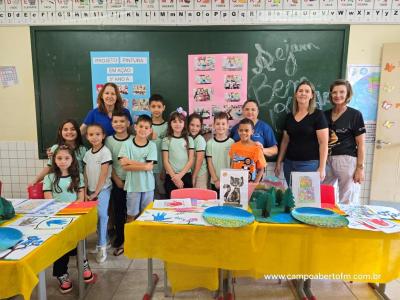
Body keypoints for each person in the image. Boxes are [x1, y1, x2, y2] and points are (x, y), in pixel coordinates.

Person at [43, 145, 94, 293]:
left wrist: (73, 211)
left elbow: (80, 197)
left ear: (72, 160)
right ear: (54, 159)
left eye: (66, 158)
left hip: (75, 218)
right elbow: (48, 200)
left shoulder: (78, 176)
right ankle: (61, 274)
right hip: (58, 219)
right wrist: (61, 212)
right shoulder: (49, 177)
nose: (63, 161)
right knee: (61, 250)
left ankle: (83, 263)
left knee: (78, 244)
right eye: (59, 158)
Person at [274, 80, 329, 185]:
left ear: (312, 95)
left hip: (309, 165)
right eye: (300, 91)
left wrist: (322, 168)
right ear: (296, 94)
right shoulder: (289, 117)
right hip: (289, 164)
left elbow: (323, 143)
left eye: (307, 91)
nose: (303, 93)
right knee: (292, 197)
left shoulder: (318, 115)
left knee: (305, 199)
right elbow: (285, 141)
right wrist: (278, 162)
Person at [323, 79, 366, 204]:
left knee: (346, 199)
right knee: (324, 194)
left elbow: (361, 144)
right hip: (327, 160)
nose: (337, 95)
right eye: (334, 92)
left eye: (342, 92)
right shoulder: (325, 115)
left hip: (347, 160)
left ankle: (346, 222)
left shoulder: (355, 115)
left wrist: (360, 168)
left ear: (348, 94)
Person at [119, 115, 157, 222]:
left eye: (146, 128)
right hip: (133, 186)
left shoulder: (152, 146)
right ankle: (130, 239)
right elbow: (124, 166)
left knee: (146, 216)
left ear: (150, 130)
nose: (143, 130)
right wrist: (144, 166)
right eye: (141, 126)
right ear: (135, 127)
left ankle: (144, 238)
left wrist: (129, 162)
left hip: (148, 186)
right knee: (131, 216)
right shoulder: (126, 144)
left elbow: (149, 167)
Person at [83, 124, 113, 263]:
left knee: (102, 215)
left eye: (97, 134)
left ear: (103, 135)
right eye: (91, 134)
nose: (94, 137)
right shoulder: (87, 154)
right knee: (95, 216)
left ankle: (102, 246)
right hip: (90, 190)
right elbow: (85, 174)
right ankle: (103, 240)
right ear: (87, 136)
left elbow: (104, 172)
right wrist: (86, 190)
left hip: (103, 189)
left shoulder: (105, 152)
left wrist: (96, 192)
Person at [105, 111, 132, 256]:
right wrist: (116, 180)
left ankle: (132, 239)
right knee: (119, 211)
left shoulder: (134, 139)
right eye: (115, 121)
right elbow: (108, 163)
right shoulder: (109, 141)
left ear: (128, 123)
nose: (119, 124)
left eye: (122, 121)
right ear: (111, 123)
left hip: (134, 182)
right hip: (117, 181)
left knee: (133, 211)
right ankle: (120, 237)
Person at [30, 119, 86, 186]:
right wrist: (36, 180)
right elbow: (49, 167)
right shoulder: (55, 148)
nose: (69, 132)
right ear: (60, 132)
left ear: (78, 131)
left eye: (73, 129)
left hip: (78, 185)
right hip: (60, 185)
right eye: (65, 129)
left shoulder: (83, 149)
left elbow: (86, 171)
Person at [162, 108, 195, 198]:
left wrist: (179, 176)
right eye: (174, 122)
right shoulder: (166, 140)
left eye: (180, 122)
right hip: (171, 176)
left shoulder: (189, 139)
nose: (177, 124)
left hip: (186, 175)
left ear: (184, 124)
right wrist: (175, 177)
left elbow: (191, 160)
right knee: (171, 203)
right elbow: (165, 161)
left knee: (187, 203)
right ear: (170, 124)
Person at [229, 118, 267, 184]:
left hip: (251, 183)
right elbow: (233, 163)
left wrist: (255, 184)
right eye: (241, 130)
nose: (243, 133)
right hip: (236, 183)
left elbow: (261, 169)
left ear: (252, 131)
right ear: (238, 131)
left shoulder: (257, 148)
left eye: (246, 130)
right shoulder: (234, 146)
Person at [206, 112, 235, 195]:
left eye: (223, 124)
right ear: (214, 125)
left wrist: (229, 178)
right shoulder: (210, 143)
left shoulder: (232, 142)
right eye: (218, 124)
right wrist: (215, 180)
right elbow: (209, 163)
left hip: (229, 181)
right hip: (215, 181)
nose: (220, 126)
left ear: (227, 125)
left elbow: (233, 162)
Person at [149, 94, 168, 199]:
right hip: (148, 169)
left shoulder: (168, 126)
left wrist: (165, 169)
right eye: (153, 106)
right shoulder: (145, 126)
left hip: (162, 168)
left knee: (163, 195)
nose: (156, 109)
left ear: (164, 108)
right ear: (149, 107)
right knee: (151, 196)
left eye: (159, 106)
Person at [187, 112, 208, 189]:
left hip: (200, 173)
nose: (194, 128)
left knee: (200, 196)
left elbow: (199, 160)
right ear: (188, 125)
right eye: (192, 125)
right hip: (191, 172)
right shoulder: (187, 138)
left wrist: (194, 176)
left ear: (200, 127)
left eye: (197, 126)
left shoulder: (200, 139)